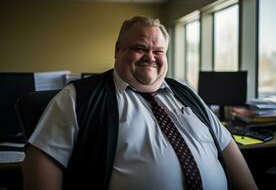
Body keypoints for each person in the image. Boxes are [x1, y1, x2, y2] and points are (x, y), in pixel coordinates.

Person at [22, 16, 258, 190]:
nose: (151, 57)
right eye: (139, 48)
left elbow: (227, 145)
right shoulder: (77, 97)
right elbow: (42, 164)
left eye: (159, 51)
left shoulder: (187, 93)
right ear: (117, 50)